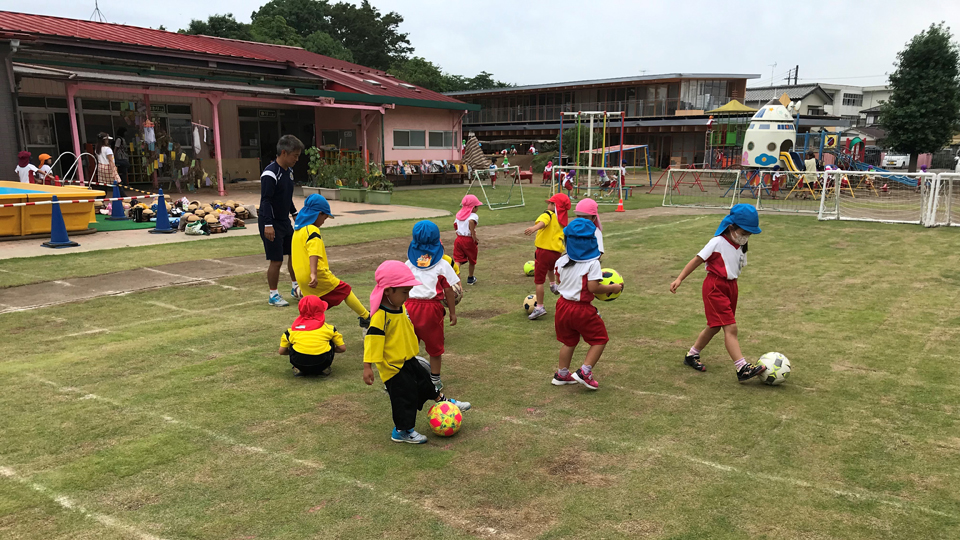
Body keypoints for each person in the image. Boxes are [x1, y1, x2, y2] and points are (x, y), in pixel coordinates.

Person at [362, 260, 470, 444]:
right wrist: (368, 367)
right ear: (388, 290)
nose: (408, 295)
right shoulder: (381, 316)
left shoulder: (401, 307)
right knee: (406, 397)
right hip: (393, 367)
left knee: (425, 382)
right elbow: (372, 341)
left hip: (409, 359)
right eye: (404, 291)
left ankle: (444, 403)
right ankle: (402, 431)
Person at [669, 204, 767, 382]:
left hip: (731, 287)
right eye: (744, 232)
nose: (746, 237)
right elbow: (697, 260)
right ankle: (741, 367)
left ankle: (692, 355)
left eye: (749, 234)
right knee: (730, 327)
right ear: (732, 227)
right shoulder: (717, 242)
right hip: (715, 287)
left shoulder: (741, 245)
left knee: (715, 325)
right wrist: (680, 278)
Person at [551, 218, 623, 390]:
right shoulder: (593, 263)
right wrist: (612, 288)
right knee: (600, 339)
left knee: (568, 342)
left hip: (562, 306)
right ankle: (585, 372)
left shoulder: (560, 261)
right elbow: (593, 287)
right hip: (581, 309)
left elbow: (560, 280)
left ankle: (561, 374)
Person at [291, 194, 371, 329]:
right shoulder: (312, 230)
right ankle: (366, 318)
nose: (324, 221)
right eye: (325, 217)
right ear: (318, 214)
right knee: (345, 290)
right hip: (318, 275)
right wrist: (314, 274)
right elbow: (313, 252)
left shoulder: (297, 231)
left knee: (313, 307)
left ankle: (304, 329)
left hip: (301, 277)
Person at [404, 221, 461, 393]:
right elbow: (449, 290)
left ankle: (404, 378)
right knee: (435, 347)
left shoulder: (409, 263)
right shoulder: (442, 265)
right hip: (431, 309)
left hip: (409, 306)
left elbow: (403, 287)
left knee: (407, 346)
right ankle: (435, 380)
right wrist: (452, 312)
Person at [260, 134, 304, 307]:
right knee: (276, 260)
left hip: (284, 222)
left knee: (294, 254)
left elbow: (287, 197)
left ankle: (295, 287)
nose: (297, 159)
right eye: (295, 156)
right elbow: (266, 201)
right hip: (270, 222)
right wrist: (268, 225)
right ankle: (273, 294)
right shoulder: (270, 174)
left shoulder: (289, 172)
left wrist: (294, 213)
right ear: (284, 153)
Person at [523, 193, 570, 320]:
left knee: (538, 281)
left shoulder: (547, 214)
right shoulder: (562, 220)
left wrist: (534, 228)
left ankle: (539, 307)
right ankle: (553, 284)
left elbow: (543, 222)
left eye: (550, 203)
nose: (548, 205)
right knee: (551, 268)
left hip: (543, 252)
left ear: (554, 205)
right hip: (556, 253)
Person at [278, 296, 346, 377]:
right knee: (330, 340)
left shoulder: (291, 331)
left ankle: (298, 368)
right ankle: (324, 369)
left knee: (292, 342)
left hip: (299, 362)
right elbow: (342, 348)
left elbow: (281, 351)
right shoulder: (330, 329)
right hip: (322, 362)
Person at [453, 194, 482, 285]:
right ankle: (470, 278)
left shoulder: (459, 214)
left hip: (459, 239)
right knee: (472, 259)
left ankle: (454, 279)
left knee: (458, 259)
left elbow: (455, 225)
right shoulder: (473, 215)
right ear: (473, 207)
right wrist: (473, 234)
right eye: (477, 207)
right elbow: (471, 221)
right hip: (468, 240)